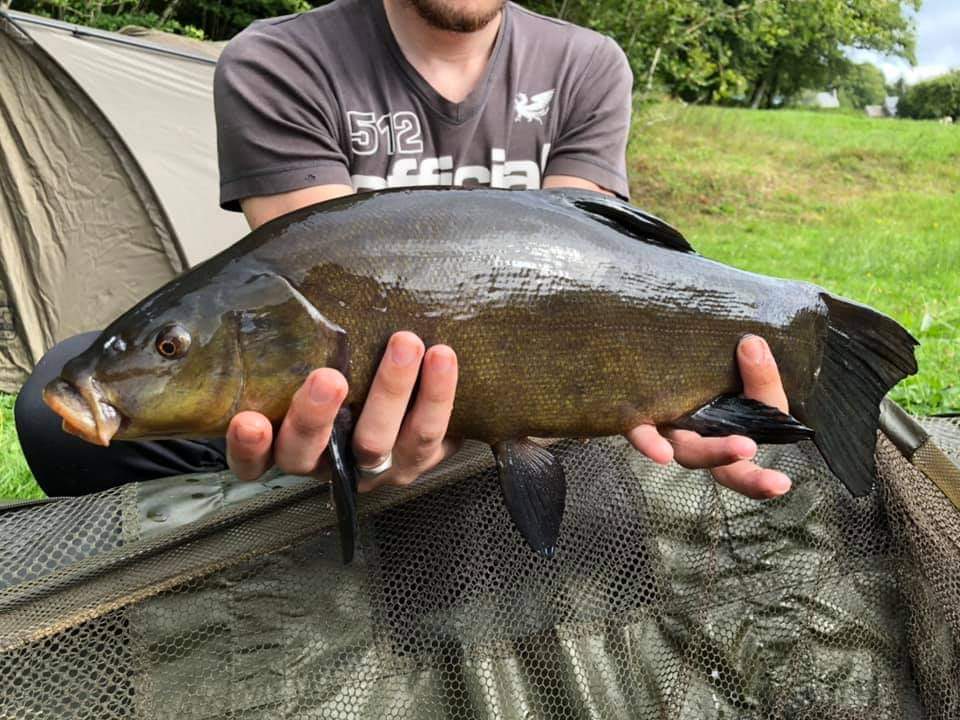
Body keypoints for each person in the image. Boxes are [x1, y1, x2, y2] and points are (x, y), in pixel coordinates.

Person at [16, 0, 792, 501]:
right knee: (55, 406)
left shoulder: (587, 65)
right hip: (370, 399)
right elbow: (325, 288)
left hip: (532, 374)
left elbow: (593, 278)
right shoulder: (280, 59)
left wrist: (652, 395)